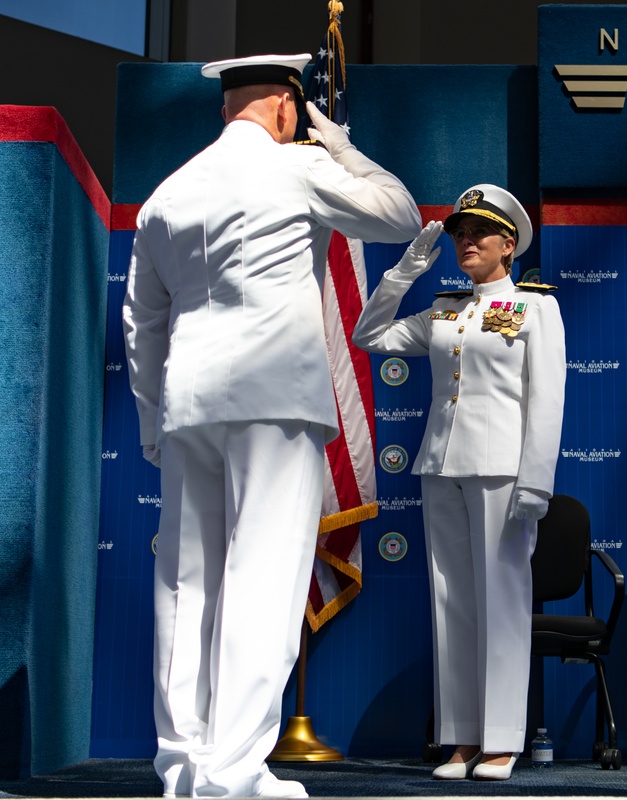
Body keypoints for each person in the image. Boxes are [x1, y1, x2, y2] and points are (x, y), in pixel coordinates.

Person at [122, 53, 421, 799]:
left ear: (229, 107)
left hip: (191, 401)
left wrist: (153, 422)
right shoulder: (295, 170)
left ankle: (183, 765)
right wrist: (340, 145)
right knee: (263, 578)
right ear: (289, 110)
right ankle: (231, 772)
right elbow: (400, 212)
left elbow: (141, 325)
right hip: (276, 400)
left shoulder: (167, 192)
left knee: (187, 585)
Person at [352, 185, 566, 781]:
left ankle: (501, 740)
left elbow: (547, 401)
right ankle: (462, 739)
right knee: (452, 603)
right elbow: (369, 337)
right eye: (458, 233)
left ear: (509, 243)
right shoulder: (445, 308)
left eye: (478, 233)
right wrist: (402, 273)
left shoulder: (534, 308)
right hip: (440, 466)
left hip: (502, 470)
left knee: (502, 602)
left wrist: (536, 483)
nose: (465, 241)